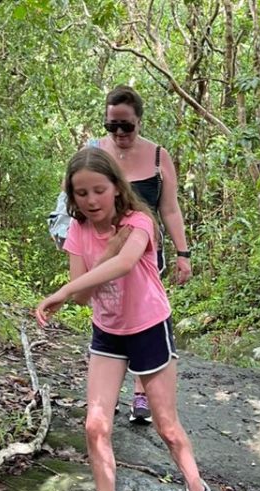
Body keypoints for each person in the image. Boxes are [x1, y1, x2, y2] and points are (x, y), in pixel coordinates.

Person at [34, 147, 220, 491]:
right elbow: (87, 296)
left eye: (98, 190)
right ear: (71, 197)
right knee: (95, 424)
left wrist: (65, 289)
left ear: (117, 188)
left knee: (167, 427)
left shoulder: (140, 220)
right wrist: (104, 253)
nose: (91, 200)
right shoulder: (79, 232)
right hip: (107, 332)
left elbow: (124, 264)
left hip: (149, 326)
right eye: (81, 193)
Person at [95, 85, 192, 425]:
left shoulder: (157, 156)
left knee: (143, 317)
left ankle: (140, 393)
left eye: (126, 126)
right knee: (108, 317)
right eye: (112, 126)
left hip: (147, 254)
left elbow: (170, 209)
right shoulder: (96, 153)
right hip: (105, 251)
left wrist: (183, 253)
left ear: (139, 121)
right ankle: (106, 393)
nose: (119, 133)